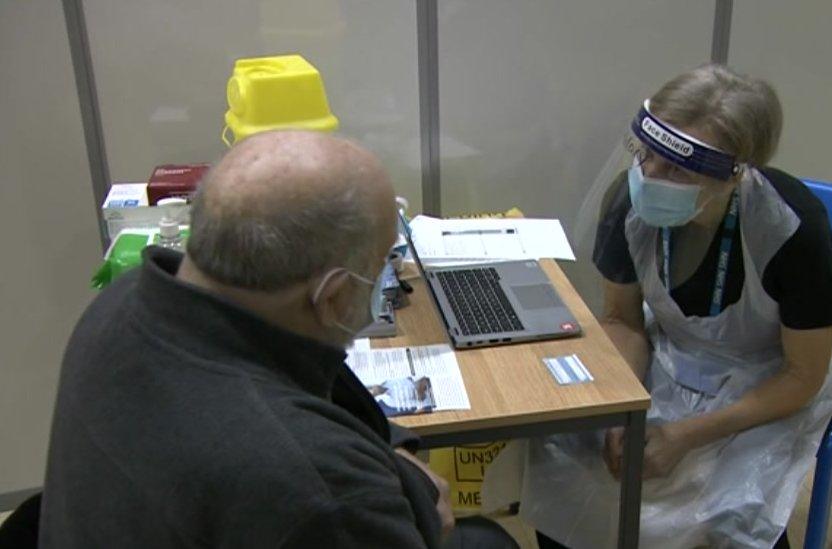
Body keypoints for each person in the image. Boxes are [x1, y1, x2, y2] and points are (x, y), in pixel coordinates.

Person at [40, 131, 516, 548]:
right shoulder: (319, 491)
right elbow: (315, 483)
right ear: (332, 296)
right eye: (380, 271)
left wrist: (395, 471)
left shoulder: (122, 304)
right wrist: (394, 486)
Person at [518, 65, 832, 548]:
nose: (649, 176)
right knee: (564, 457)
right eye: (646, 155)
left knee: (731, 512)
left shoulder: (791, 231)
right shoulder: (629, 200)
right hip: (670, 350)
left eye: (676, 169)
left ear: (734, 174)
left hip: (772, 376)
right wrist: (618, 411)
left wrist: (688, 435)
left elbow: (803, 376)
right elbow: (622, 321)